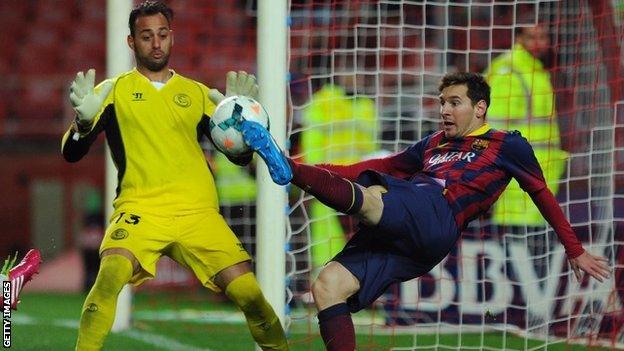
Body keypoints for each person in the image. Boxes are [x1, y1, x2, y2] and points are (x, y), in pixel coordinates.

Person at [239, 71, 611, 351]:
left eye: (454, 102)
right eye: (441, 102)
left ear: (480, 107)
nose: (444, 110)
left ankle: (287, 168)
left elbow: (541, 193)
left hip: (439, 212)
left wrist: (574, 249)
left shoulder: (506, 145)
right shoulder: (431, 144)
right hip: (413, 238)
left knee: (375, 196)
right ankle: (290, 169)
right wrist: (312, 172)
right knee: (328, 285)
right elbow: (371, 167)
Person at [61, 2, 288, 350]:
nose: (156, 43)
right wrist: (83, 123)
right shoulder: (112, 92)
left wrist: (244, 130)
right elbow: (71, 153)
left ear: (172, 38)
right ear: (131, 42)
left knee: (251, 296)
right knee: (108, 279)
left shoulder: (198, 94)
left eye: (162, 35)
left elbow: (238, 157)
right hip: (141, 210)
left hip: (197, 213)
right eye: (146, 36)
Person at [485, 20, 569, 231]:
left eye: (543, 37)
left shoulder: (535, 70)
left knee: (532, 248)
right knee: (517, 247)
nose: (539, 43)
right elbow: (495, 125)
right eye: (532, 37)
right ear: (519, 39)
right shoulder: (510, 70)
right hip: (518, 180)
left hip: (538, 174)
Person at [301, 70, 378, 272]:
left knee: (362, 231)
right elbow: (312, 140)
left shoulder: (366, 106)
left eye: (359, 73)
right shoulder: (323, 101)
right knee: (324, 231)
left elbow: (372, 145)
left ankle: (362, 278)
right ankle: (322, 276)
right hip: (328, 178)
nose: (355, 77)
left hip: (360, 181)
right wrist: (313, 174)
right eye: (350, 72)